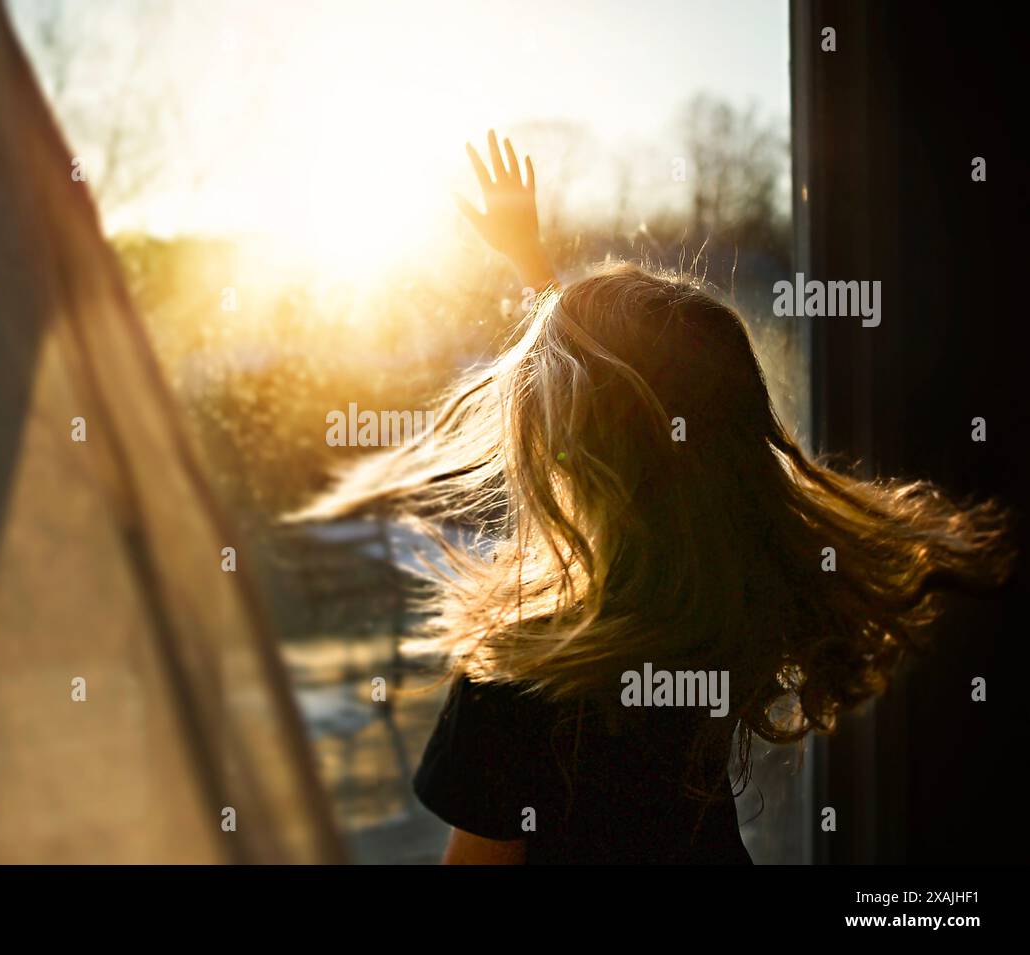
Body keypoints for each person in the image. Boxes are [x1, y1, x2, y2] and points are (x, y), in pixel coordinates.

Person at [296, 131, 1013, 864]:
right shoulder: (723, 608)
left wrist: (532, 265)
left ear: (560, 446)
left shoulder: (523, 679)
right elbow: (639, 396)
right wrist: (530, 263)